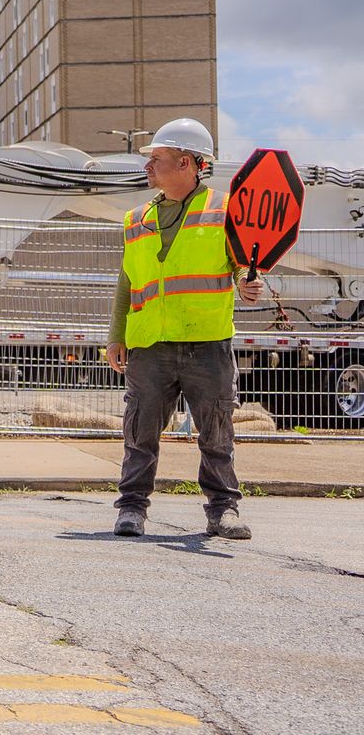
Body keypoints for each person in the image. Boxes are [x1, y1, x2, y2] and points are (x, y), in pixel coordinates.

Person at [104, 118, 265, 540]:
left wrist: (250, 286)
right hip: (150, 344)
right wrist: (116, 335)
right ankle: (131, 510)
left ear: (188, 163)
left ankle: (223, 510)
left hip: (207, 343)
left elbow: (244, 266)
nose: (148, 167)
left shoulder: (226, 209)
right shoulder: (136, 218)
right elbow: (128, 280)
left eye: (156, 159)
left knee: (216, 433)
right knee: (139, 432)